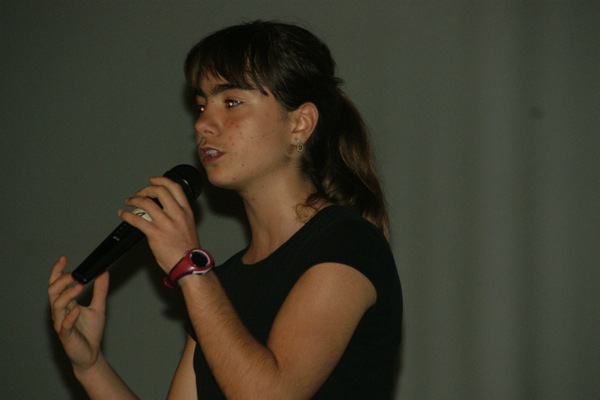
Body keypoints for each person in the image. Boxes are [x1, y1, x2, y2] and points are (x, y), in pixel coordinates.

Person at [48, 20, 402, 399]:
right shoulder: (222, 282)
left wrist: (189, 267)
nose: (202, 123)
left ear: (300, 124)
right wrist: (91, 367)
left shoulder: (348, 243)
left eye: (231, 102)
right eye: (201, 105)